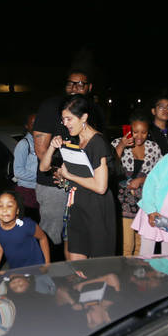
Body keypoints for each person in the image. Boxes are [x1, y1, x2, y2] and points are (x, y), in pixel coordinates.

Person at [40, 94, 115, 260]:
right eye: (63, 120)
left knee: (101, 269)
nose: (65, 124)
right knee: (77, 266)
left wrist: (69, 175)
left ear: (84, 117)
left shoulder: (97, 143)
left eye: (69, 119)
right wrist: (52, 147)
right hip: (77, 208)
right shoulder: (74, 141)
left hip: (97, 209)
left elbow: (101, 186)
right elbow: (43, 167)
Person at [33, 69, 93, 253]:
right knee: (51, 236)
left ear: (89, 87)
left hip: (83, 185)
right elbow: (41, 149)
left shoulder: (93, 110)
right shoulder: (51, 107)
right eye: (71, 83)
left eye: (80, 84)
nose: (75, 87)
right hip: (54, 185)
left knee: (76, 237)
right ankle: (46, 276)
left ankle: (72, 278)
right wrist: (57, 173)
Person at [111, 111, 163, 256]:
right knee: (127, 245)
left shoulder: (153, 148)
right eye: (135, 132)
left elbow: (159, 175)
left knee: (142, 246)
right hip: (123, 203)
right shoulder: (117, 143)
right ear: (129, 129)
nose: (139, 136)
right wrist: (121, 145)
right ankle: (126, 275)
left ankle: (139, 277)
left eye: (144, 132)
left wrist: (141, 180)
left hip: (145, 203)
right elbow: (109, 166)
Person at [0, 190, 50, 272]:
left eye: (9, 206)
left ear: (17, 210)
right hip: (16, 270)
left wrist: (47, 264)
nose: (4, 210)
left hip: (36, 267)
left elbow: (43, 238)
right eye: (0, 206)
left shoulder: (27, 225)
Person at [12, 112, 39, 216]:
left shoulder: (41, 142)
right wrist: (39, 177)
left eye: (38, 122)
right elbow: (18, 172)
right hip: (26, 192)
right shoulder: (24, 144)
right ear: (27, 126)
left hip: (38, 191)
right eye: (33, 123)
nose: (36, 126)